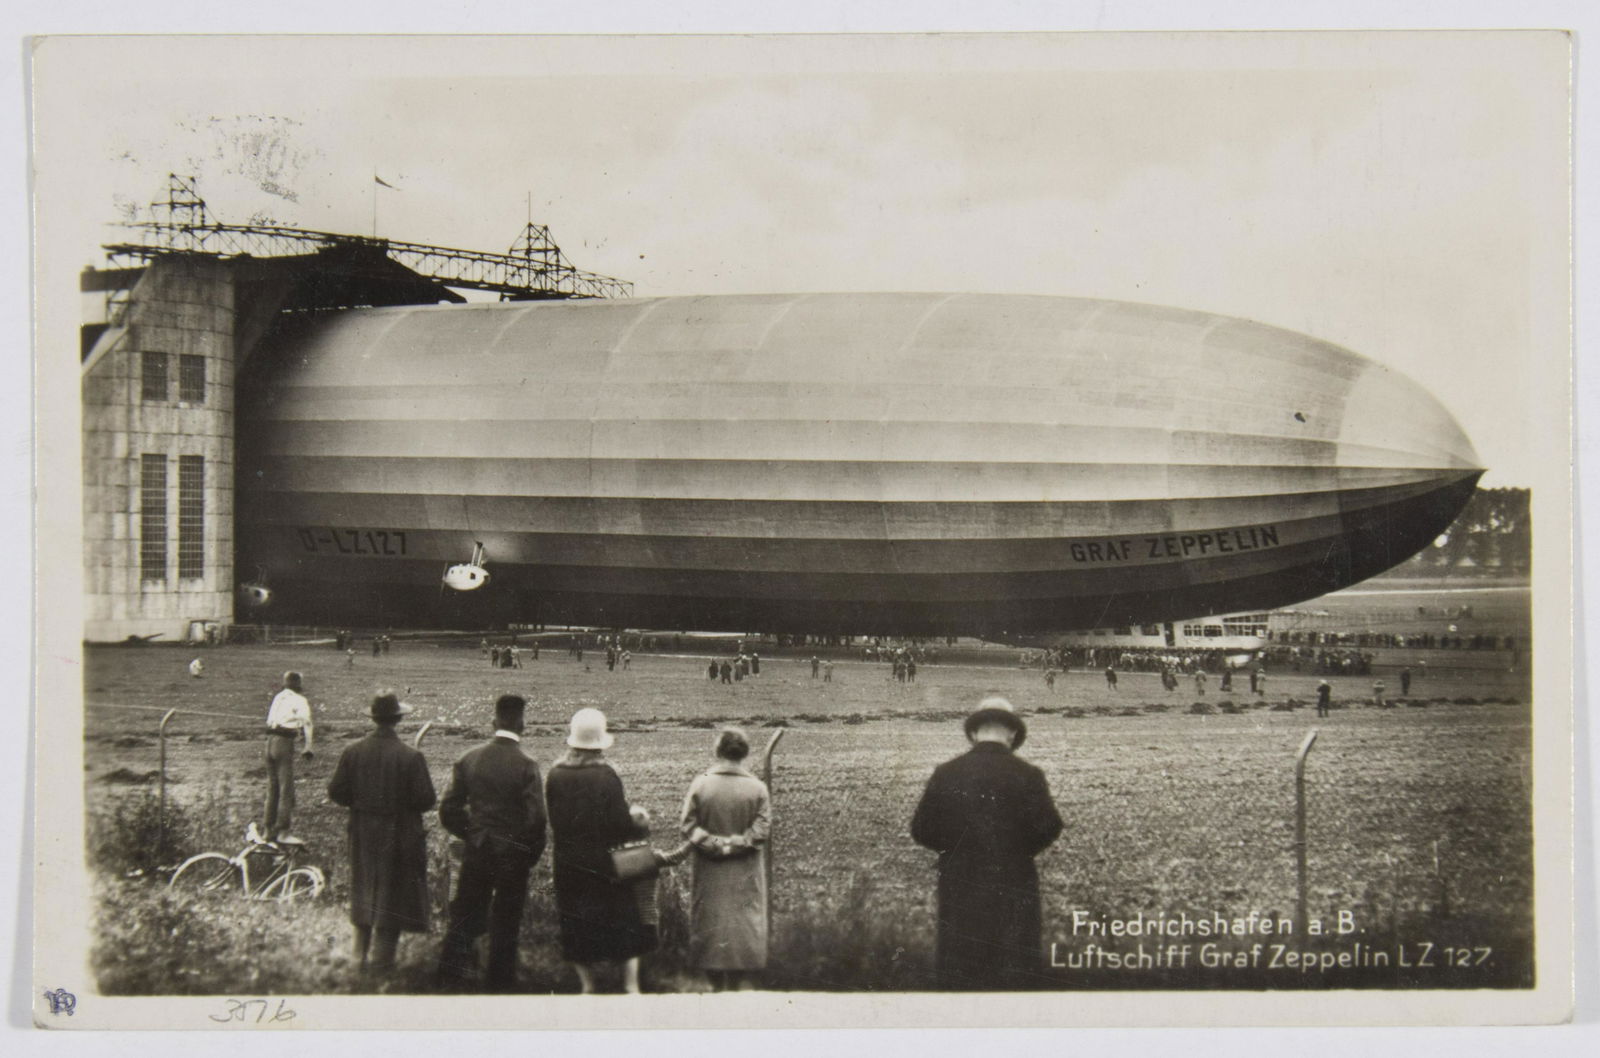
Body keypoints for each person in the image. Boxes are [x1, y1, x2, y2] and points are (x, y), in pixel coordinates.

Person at [911, 697, 1063, 991]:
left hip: (960, 880)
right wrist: (1019, 850)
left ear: (974, 733)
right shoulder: (1029, 775)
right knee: (1014, 966)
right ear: (1012, 734)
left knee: (961, 967)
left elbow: (922, 829)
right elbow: (1050, 826)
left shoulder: (946, 773)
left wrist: (955, 848)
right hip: (1014, 880)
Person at [437, 695, 548, 992]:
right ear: (522, 724)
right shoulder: (527, 766)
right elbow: (537, 819)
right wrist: (526, 854)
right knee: (507, 919)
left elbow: (448, 810)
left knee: (465, 912)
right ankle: (500, 980)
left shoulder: (469, 758)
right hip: (512, 853)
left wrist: (473, 833)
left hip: (479, 848)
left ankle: (449, 975)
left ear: (493, 722)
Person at [327, 691, 436, 983]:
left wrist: (362, 803)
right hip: (398, 832)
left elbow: (337, 791)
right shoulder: (411, 756)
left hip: (363, 829)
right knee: (393, 893)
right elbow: (426, 799)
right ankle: (381, 963)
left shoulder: (353, 751)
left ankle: (357, 958)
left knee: (364, 885)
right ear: (399, 719)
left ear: (373, 718)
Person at [545, 708, 656, 994]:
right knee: (624, 918)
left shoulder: (555, 775)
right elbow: (619, 825)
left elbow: (557, 821)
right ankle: (630, 986)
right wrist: (637, 819)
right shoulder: (606, 776)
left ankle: (588, 985)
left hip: (568, 861)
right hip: (605, 862)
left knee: (576, 921)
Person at [680, 728, 772, 991]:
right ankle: (737, 982)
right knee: (743, 923)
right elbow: (761, 832)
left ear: (717, 751)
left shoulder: (701, 784)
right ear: (744, 753)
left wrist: (716, 845)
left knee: (710, 922)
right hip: (746, 869)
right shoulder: (758, 788)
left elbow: (687, 825)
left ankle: (714, 984)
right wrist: (736, 844)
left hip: (709, 869)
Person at [263, 671, 315, 844]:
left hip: (269, 742)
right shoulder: (299, 700)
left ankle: (267, 829)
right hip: (283, 742)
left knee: (273, 787)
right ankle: (283, 831)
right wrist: (308, 746)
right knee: (286, 788)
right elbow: (307, 723)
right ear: (299, 684)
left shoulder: (278, 697)